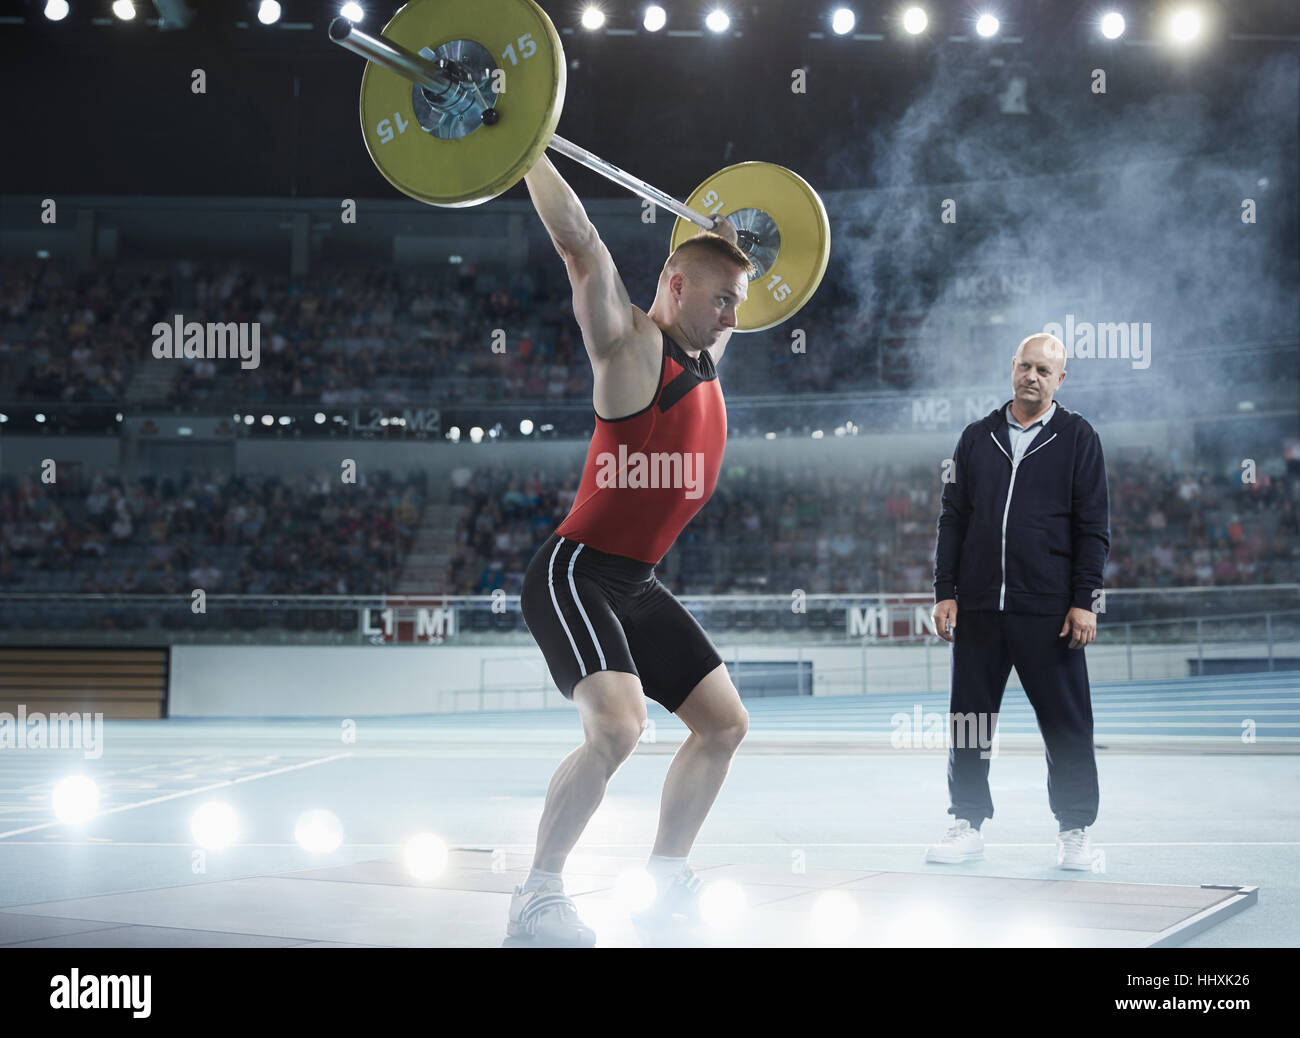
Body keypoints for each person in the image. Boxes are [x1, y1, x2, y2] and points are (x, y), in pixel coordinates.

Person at [508, 154, 756, 945]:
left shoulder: (710, 355)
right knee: (617, 730)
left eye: (739, 304)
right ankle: (537, 895)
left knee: (722, 725)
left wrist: (734, 241)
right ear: (675, 285)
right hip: (575, 572)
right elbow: (580, 244)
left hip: (637, 584)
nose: (733, 317)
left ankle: (661, 881)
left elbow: (762, 278)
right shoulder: (629, 348)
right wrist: (526, 147)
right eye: (722, 299)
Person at [929, 332, 1110, 869]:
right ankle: (966, 823)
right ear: (1012, 367)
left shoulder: (1078, 438)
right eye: (1025, 366)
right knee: (970, 722)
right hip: (980, 608)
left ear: (1060, 379)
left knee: (1067, 724)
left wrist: (1085, 601)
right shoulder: (976, 437)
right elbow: (953, 518)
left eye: (1044, 371)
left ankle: (1075, 830)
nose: (1032, 377)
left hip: (1051, 611)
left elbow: (1094, 528)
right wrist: (945, 592)